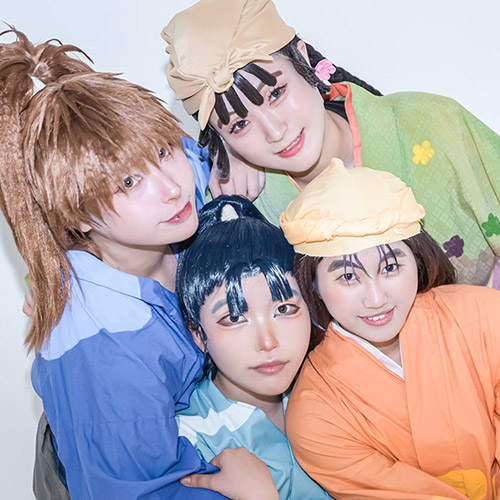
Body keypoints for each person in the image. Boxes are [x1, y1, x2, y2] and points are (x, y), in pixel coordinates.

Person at [0, 30, 276, 500]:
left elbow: (193, 154)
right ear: (78, 216)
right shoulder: (106, 354)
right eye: (128, 183)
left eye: (162, 151)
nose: (171, 187)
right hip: (107, 457)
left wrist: (235, 150)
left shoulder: (172, 199)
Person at [162, 0, 500, 288]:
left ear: (304, 60)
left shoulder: (431, 121)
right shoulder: (246, 212)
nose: (275, 131)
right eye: (240, 124)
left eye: (276, 93)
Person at [278, 158, 500, 499]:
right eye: (348, 276)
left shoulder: (486, 317)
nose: (376, 298)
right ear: (313, 284)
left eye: (391, 266)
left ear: (418, 260)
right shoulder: (315, 414)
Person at [174, 195, 333, 499]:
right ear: (198, 334)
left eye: (284, 309)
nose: (268, 342)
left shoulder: (337, 384)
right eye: (234, 317)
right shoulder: (189, 441)